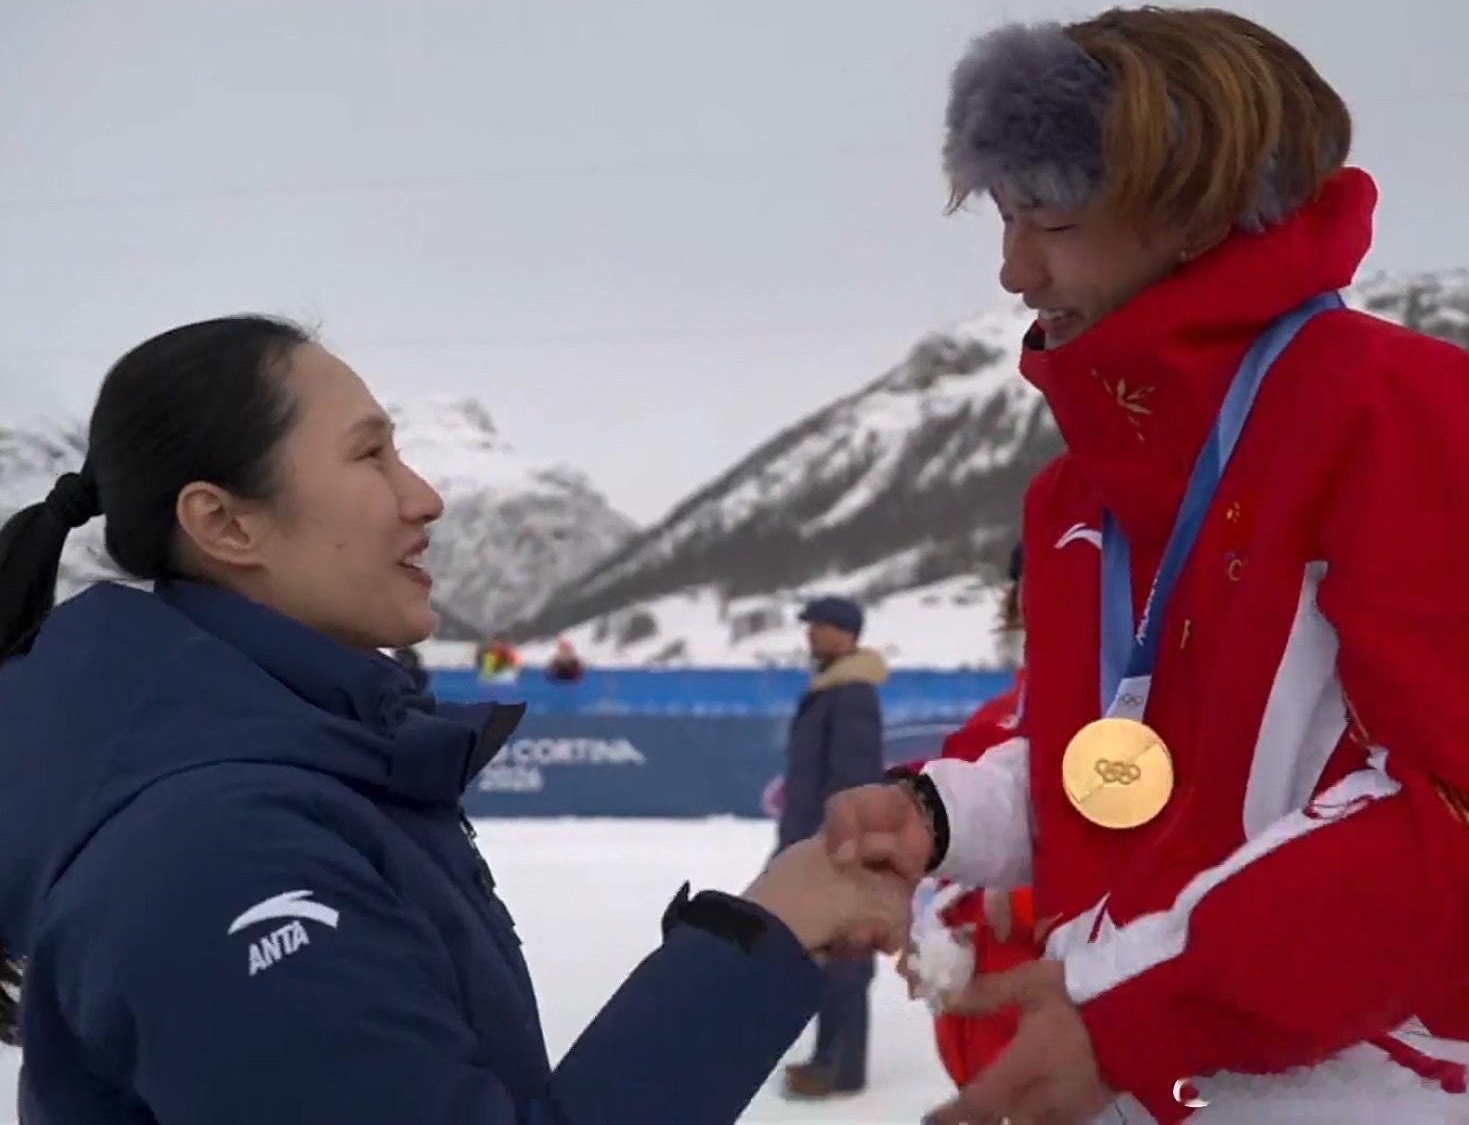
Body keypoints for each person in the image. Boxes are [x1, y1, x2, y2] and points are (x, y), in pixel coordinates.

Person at [825, 7, 1469, 1125]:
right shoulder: (1080, 488)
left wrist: (1149, 1005)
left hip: (1403, 1085)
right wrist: (943, 811)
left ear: (1188, 211)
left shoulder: (1412, 416)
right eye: (1003, 217)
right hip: (1169, 1069)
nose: (1011, 269)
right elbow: (1127, 760)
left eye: (1048, 215)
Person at [0, 316, 912, 1125]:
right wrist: (761, 937)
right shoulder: (223, 853)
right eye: (370, 455)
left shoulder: (293, 769)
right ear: (226, 524)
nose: (424, 496)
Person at [896, 543, 1036, 1090]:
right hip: (976, 1031)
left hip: (1058, 1033)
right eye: (1034, 578)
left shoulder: (1129, 724)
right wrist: (924, 920)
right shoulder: (992, 719)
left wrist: (1027, 891)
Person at [775, 594, 888, 1100]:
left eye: (819, 626)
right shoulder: (831, 690)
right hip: (813, 845)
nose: (810, 634)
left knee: (847, 954)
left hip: (837, 850)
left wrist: (838, 850)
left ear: (846, 633)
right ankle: (829, 1057)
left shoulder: (851, 694)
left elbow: (853, 780)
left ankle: (840, 1067)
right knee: (826, 953)